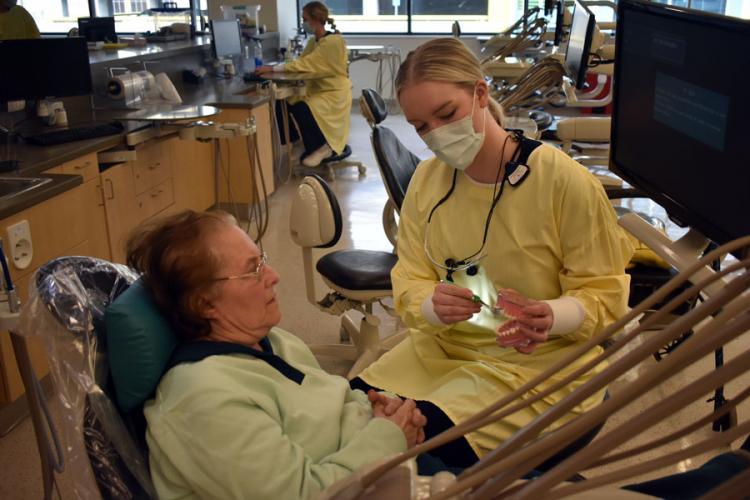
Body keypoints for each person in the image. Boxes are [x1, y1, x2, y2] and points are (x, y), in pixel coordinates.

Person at [350, 38, 635, 470]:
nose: (437, 134)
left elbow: (604, 294)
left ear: (481, 93)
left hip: (536, 366)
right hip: (441, 354)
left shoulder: (563, 183)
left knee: (411, 455)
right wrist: (431, 304)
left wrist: (552, 314)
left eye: (446, 114)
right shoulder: (429, 183)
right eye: (422, 126)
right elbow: (409, 277)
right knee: (350, 416)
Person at [130, 210, 427, 500]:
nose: (273, 276)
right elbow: (303, 493)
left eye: (262, 261)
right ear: (204, 304)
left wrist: (380, 408)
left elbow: (327, 400)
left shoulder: (272, 341)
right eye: (252, 270)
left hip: (379, 462)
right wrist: (390, 435)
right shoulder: (201, 398)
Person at [256, 1, 351, 167]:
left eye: (304, 18)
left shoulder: (333, 42)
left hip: (333, 92)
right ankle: (297, 143)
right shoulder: (314, 42)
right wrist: (280, 69)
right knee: (283, 103)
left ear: (314, 19)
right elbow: (302, 61)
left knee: (303, 107)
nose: (303, 22)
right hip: (318, 89)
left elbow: (308, 64)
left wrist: (274, 69)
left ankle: (324, 147)